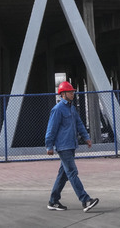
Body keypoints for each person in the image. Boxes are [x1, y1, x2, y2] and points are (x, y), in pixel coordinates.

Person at [45, 81, 99, 212]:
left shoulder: (71, 108)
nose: (73, 93)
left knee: (63, 175)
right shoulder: (57, 109)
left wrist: (86, 137)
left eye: (73, 91)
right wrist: (49, 146)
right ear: (63, 94)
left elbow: (79, 124)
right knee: (72, 173)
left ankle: (53, 201)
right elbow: (51, 129)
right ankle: (85, 200)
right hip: (63, 146)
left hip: (71, 145)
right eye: (70, 92)